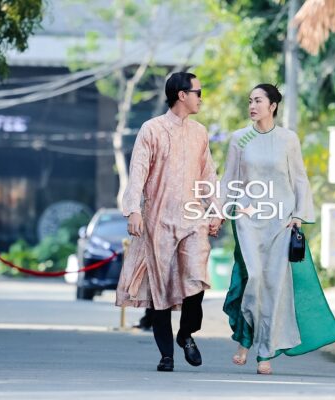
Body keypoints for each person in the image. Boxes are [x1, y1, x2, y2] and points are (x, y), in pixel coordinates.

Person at [219, 84, 335, 375]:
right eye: (250, 101)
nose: (252, 106)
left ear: (273, 105)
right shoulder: (240, 138)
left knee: (274, 286)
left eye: (258, 101)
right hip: (248, 219)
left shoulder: (288, 139)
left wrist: (299, 216)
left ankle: (264, 351)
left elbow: (299, 179)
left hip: (280, 222)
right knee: (253, 278)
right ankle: (245, 338)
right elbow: (230, 180)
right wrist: (219, 213)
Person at [116, 72, 221, 372]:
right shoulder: (152, 129)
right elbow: (138, 171)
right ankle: (166, 355)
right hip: (158, 220)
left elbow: (208, 175)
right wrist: (133, 210)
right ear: (181, 95)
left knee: (197, 277)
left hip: (192, 219)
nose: (201, 98)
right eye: (198, 92)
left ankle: (186, 333)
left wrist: (216, 210)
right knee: (159, 289)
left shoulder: (200, 132)